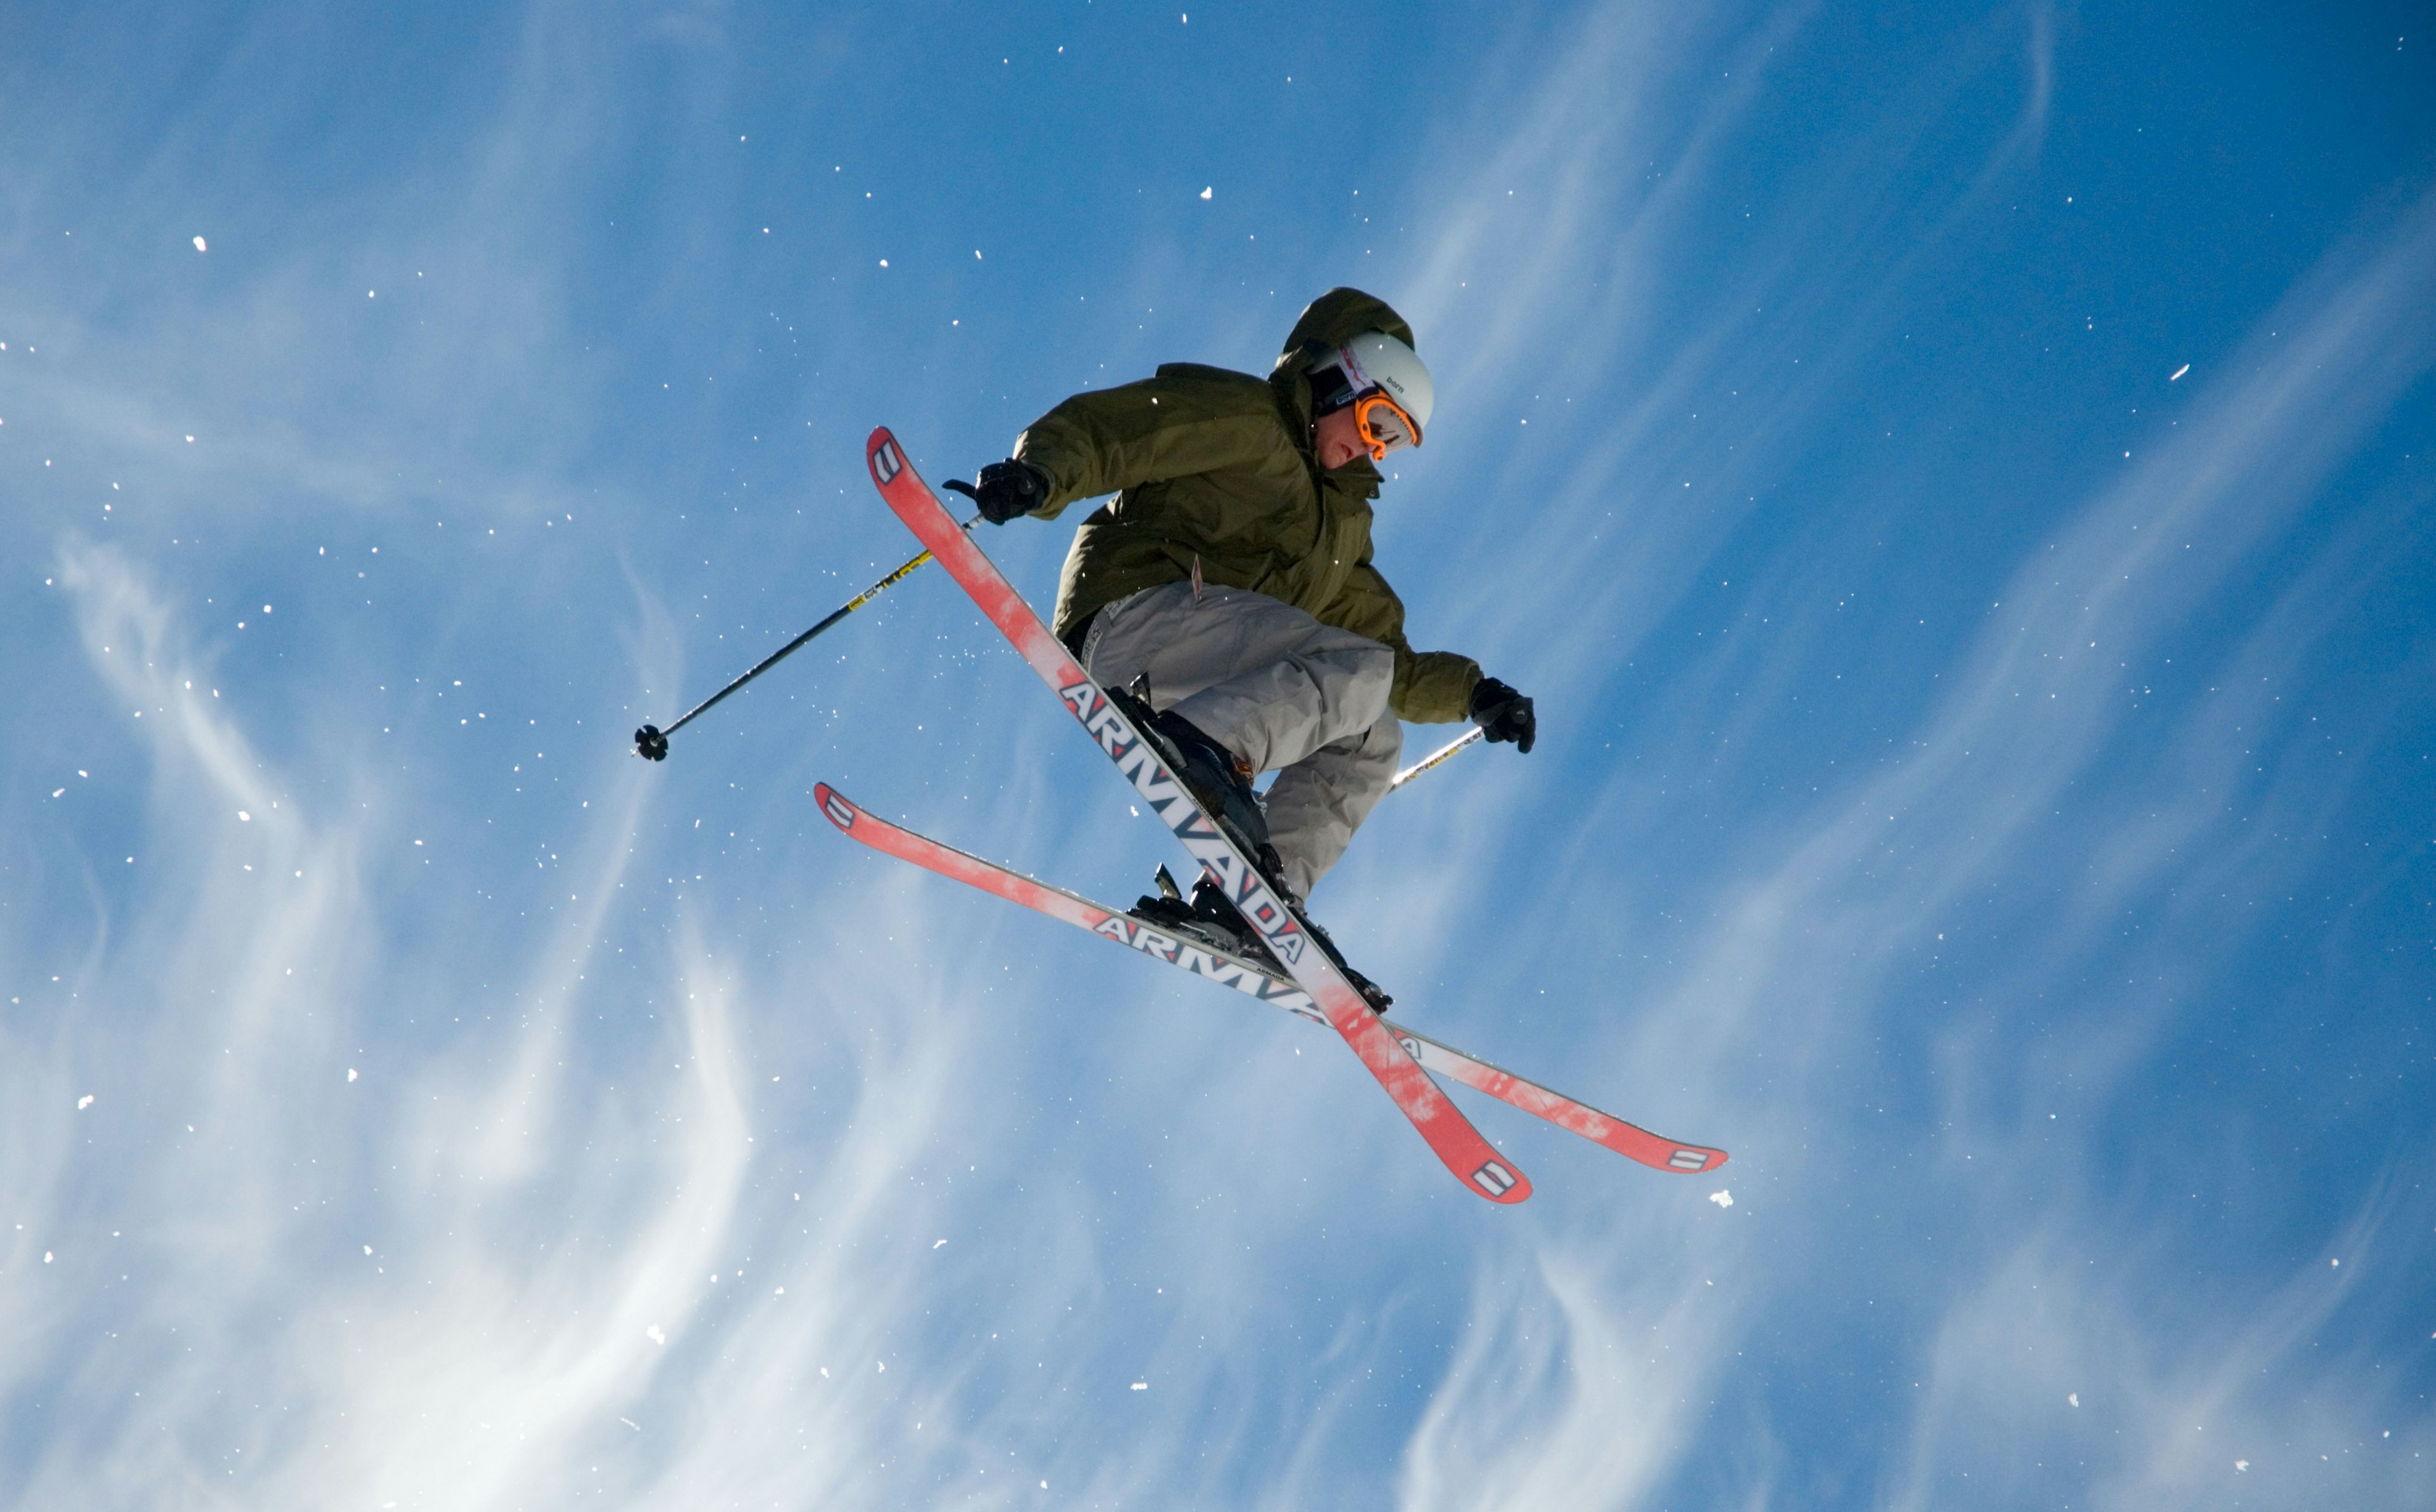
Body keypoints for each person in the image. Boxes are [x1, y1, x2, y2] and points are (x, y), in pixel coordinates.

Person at [957, 288, 1535, 1008]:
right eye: (1377, 419)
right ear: (1338, 380)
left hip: (1193, 671)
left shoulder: (1336, 541)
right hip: (1129, 616)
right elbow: (1124, 430)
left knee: (1373, 731)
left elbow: (1389, 658)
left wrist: (1475, 695)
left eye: (1393, 441)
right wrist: (1041, 472)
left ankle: (1252, 903)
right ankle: (1208, 750)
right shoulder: (1251, 423)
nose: (1374, 446)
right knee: (1356, 674)